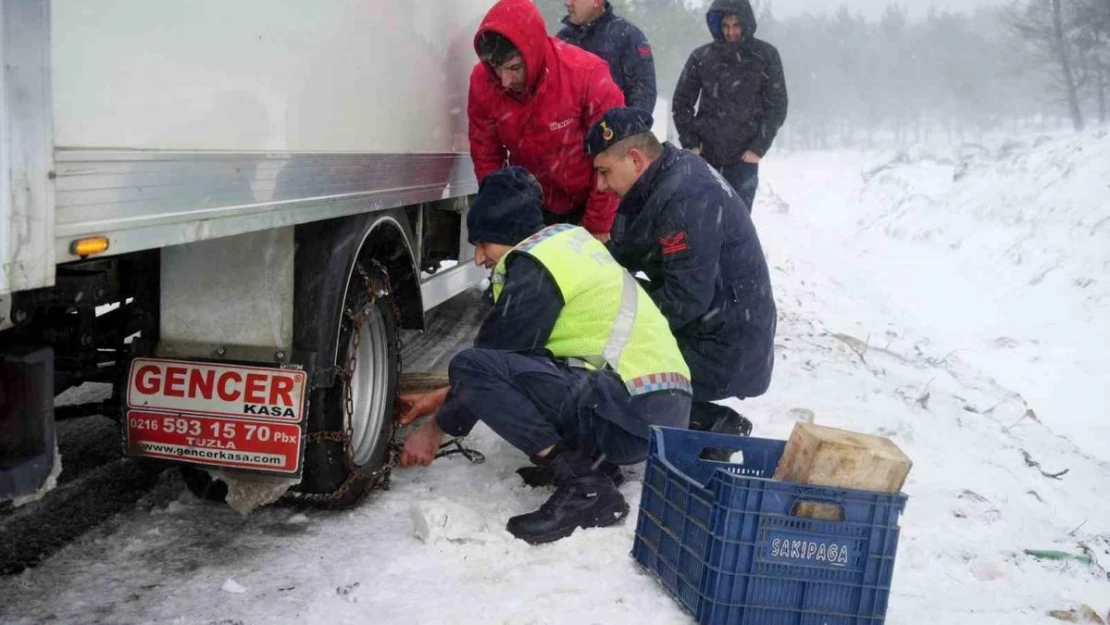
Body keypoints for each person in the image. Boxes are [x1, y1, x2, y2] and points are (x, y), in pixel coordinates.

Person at [398, 167, 692, 545]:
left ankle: (584, 483)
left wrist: (435, 430)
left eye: (483, 243)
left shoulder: (536, 267)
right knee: (539, 367)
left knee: (469, 366)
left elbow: (487, 366)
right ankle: (597, 465)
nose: (478, 257)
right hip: (656, 409)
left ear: (506, 233)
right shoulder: (568, 245)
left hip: (630, 408)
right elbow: (522, 362)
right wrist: (438, 399)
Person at [586, 107, 776, 435]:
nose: (600, 186)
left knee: (603, 374)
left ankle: (710, 425)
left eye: (605, 172)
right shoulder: (663, 179)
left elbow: (683, 301)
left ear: (635, 159)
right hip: (717, 328)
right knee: (604, 308)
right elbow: (626, 251)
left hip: (727, 350)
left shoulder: (685, 197)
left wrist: (609, 332)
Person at [469, 0, 624, 241]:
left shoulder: (586, 75)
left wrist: (596, 225)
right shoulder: (482, 82)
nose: (505, 81)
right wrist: (500, 216)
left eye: (514, 68)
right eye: (496, 69)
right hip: (532, 206)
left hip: (589, 201)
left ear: (532, 53)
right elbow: (486, 155)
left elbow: (615, 154)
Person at [671, 0, 788, 213]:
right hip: (705, 158)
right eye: (725, 26)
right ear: (716, 24)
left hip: (744, 160)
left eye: (736, 26)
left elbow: (777, 106)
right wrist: (692, 145)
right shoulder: (702, 57)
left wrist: (758, 148)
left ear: (746, 23)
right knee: (703, 222)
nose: (730, 32)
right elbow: (681, 103)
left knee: (738, 226)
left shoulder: (765, 56)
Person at [557, 0, 657, 114]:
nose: (568, 3)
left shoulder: (627, 36)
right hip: (568, 130)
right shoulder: (562, 40)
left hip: (612, 129)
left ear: (596, 2)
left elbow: (643, 91)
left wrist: (626, 127)